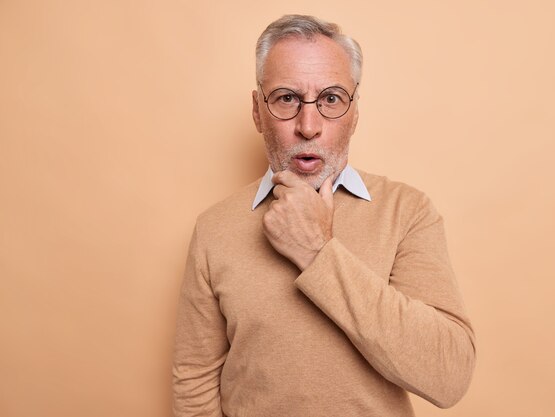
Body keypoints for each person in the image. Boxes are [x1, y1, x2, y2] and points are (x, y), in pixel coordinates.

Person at [173, 14, 476, 417]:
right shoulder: (214, 227)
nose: (309, 126)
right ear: (257, 112)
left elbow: (448, 375)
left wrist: (318, 252)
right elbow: (194, 381)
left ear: (354, 113)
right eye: (286, 98)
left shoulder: (408, 212)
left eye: (331, 99)